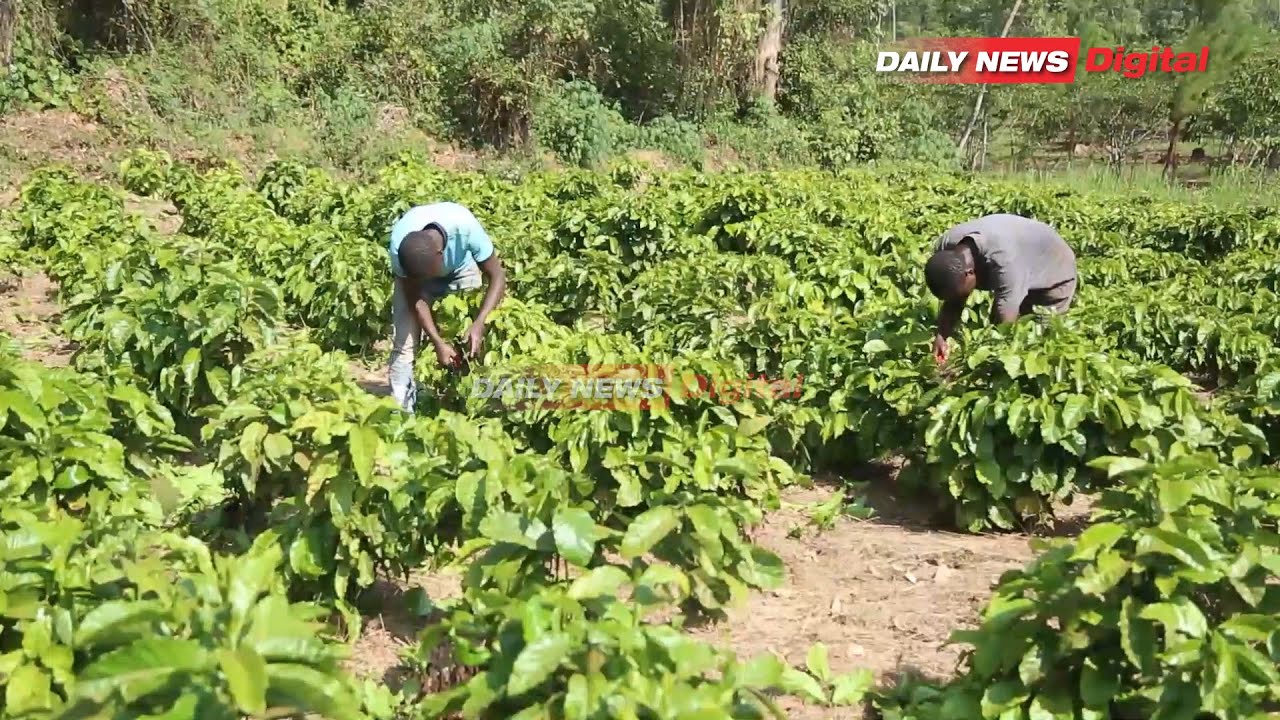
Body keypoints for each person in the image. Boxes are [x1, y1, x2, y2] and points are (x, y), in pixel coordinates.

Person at [387, 202, 506, 412]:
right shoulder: (402, 248)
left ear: (442, 255)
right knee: (404, 344)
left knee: (469, 340)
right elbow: (414, 296)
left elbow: (497, 276)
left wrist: (480, 322)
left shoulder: (465, 227)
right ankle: (402, 413)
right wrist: (437, 341)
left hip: (461, 269)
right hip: (413, 281)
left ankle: (465, 403)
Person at [924, 213, 1077, 363]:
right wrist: (942, 336)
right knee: (1005, 317)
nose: (955, 300)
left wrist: (984, 362)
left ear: (969, 273)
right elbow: (954, 300)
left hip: (1054, 266)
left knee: (1042, 338)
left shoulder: (1005, 261)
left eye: (957, 295)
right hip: (1019, 253)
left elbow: (1005, 328)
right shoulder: (945, 249)